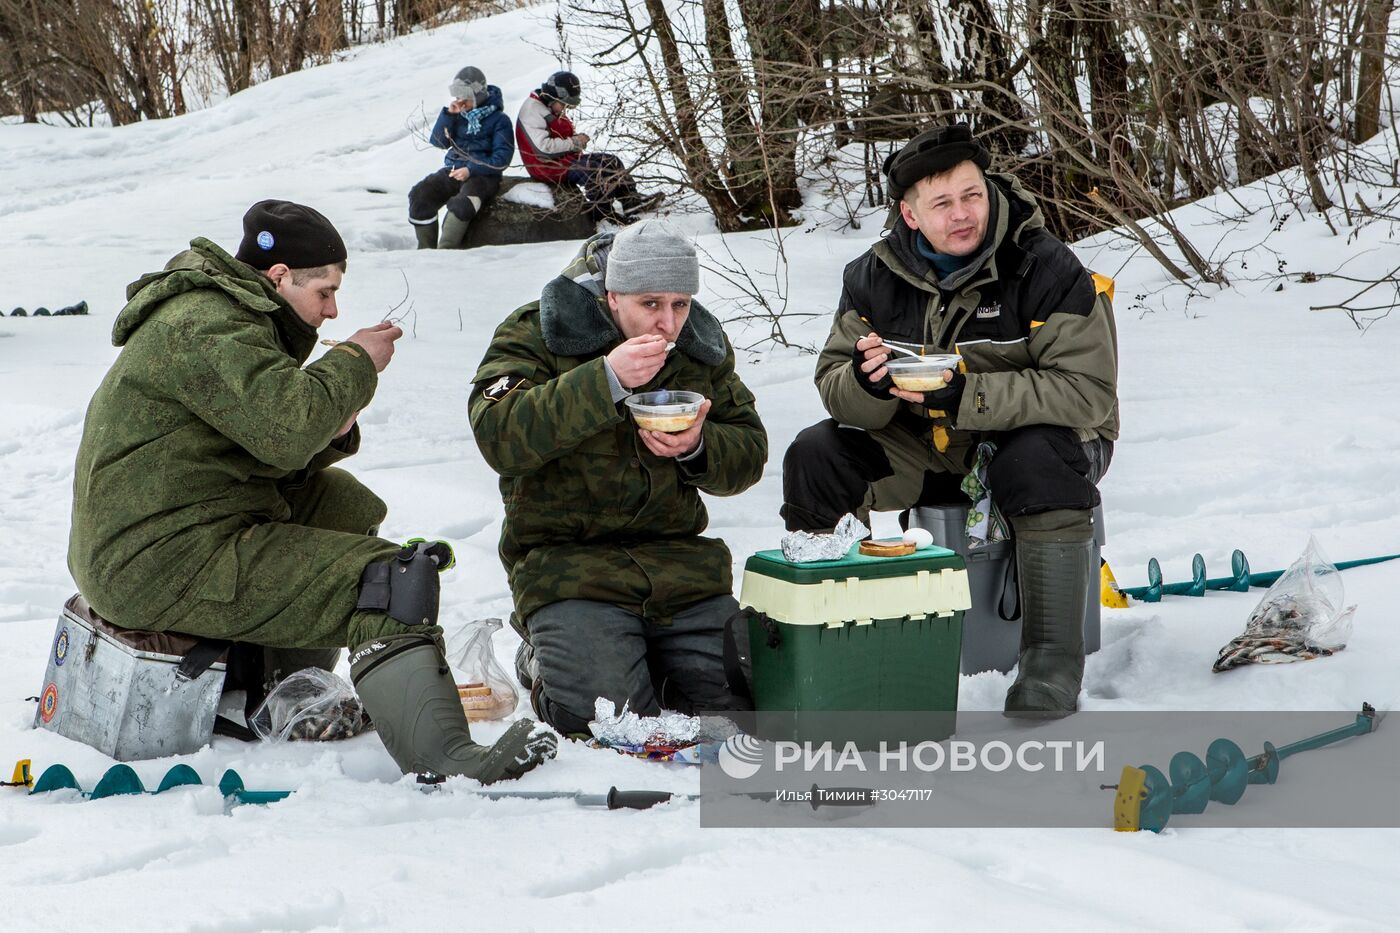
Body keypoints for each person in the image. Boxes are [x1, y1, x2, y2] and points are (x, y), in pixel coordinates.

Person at [68, 199, 556, 782]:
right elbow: (284, 431)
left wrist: (332, 419)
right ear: (278, 278)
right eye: (324, 291)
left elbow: (263, 445)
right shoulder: (206, 325)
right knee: (389, 579)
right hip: (155, 558)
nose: (331, 309)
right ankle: (446, 762)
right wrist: (354, 362)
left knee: (342, 501)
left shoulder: (225, 317)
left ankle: (288, 699)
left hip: (172, 527)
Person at [780, 123, 1120, 717]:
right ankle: (832, 640)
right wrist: (866, 382)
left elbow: (1087, 394)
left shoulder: (1046, 268)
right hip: (929, 444)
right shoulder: (871, 277)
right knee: (819, 454)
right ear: (911, 216)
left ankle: (1050, 662)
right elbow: (836, 388)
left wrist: (968, 395)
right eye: (943, 204)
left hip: (1054, 444)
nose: (963, 214)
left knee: (1033, 455)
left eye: (973, 195)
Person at [469, 219, 767, 737]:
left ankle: (651, 662)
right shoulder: (540, 330)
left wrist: (697, 447)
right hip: (570, 568)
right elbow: (499, 435)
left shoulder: (699, 346)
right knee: (605, 721)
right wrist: (604, 380)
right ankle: (542, 660)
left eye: (681, 304)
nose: (668, 323)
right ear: (612, 295)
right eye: (650, 304)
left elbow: (749, 451)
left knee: (744, 706)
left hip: (680, 569)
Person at [515, 70, 663, 224]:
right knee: (594, 171)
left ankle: (630, 202)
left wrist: (575, 141)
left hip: (562, 158)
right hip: (545, 165)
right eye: (563, 105)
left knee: (610, 161)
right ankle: (604, 216)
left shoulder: (550, 105)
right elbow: (543, 148)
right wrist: (574, 142)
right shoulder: (532, 110)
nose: (564, 109)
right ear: (552, 97)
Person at [408, 66, 514, 250]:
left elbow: (502, 158)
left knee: (462, 204)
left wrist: (471, 169)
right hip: (454, 169)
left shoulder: (500, 120)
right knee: (421, 194)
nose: (460, 101)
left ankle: (445, 251)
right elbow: (438, 142)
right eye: (457, 96)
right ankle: (425, 251)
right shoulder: (457, 116)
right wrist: (448, 115)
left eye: (465, 96)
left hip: (483, 175)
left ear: (478, 95)